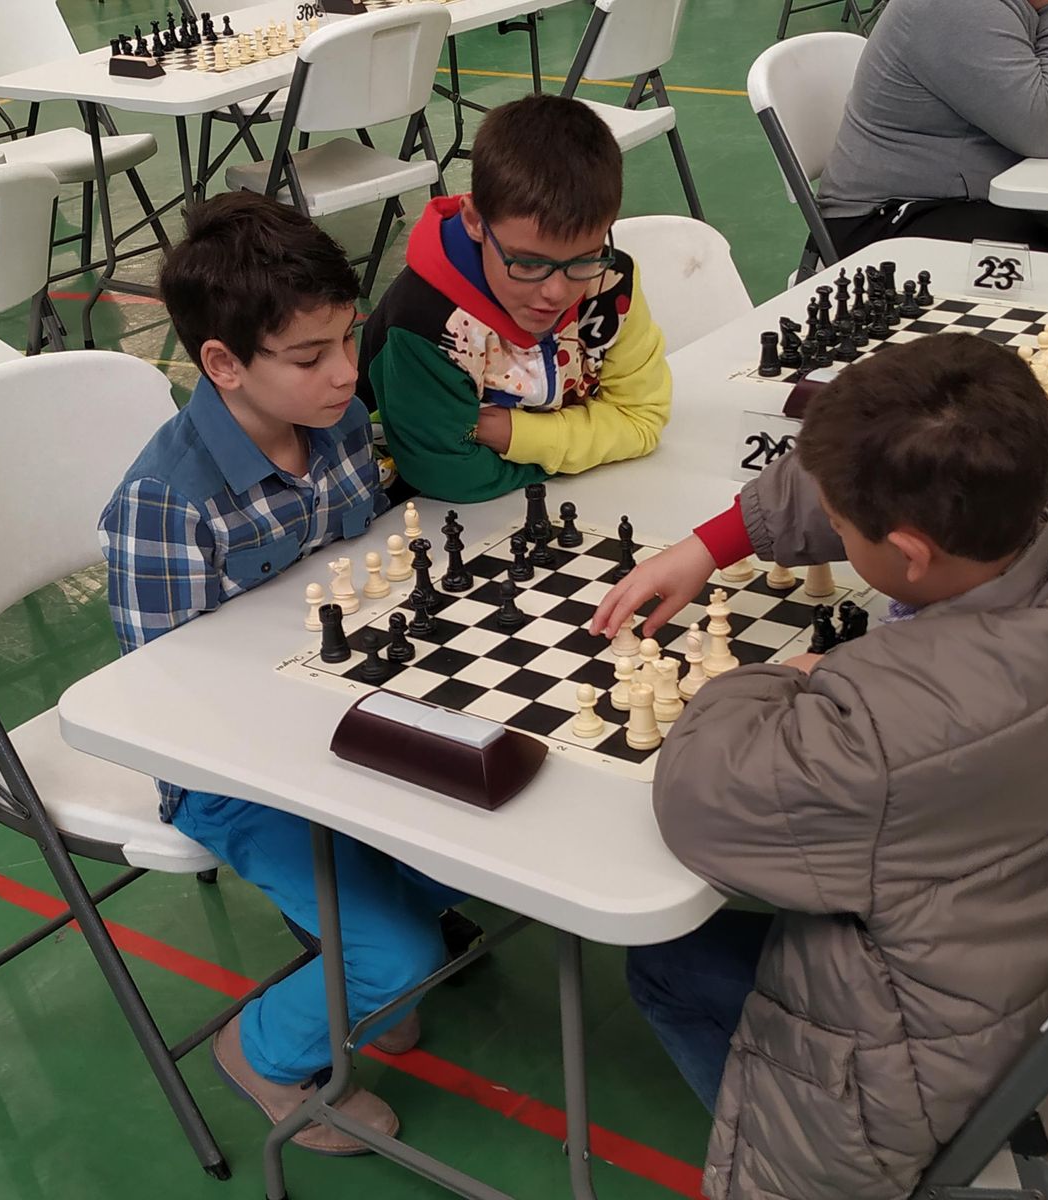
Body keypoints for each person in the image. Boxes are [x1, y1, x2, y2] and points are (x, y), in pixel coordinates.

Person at [591, 334, 1048, 1199]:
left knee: (667, 960)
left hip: (984, 1068)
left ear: (909, 555)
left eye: (839, 530)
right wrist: (715, 543)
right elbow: (861, 474)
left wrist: (789, 677)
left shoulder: (881, 735)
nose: (831, 530)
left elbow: (703, 798)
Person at [98, 192, 470, 1154]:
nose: (347, 371)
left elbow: (361, 573)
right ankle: (261, 1054)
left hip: (343, 713)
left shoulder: (334, 420)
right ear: (223, 363)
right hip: (231, 773)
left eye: (348, 339)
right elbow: (163, 703)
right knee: (402, 948)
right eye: (311, 357)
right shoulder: (164, 502)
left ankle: (369, 973)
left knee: (488, 847)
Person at [359, 93, 671, 504]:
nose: (556, 292)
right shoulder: (423, 323)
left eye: (583, 259)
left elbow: (642, 419)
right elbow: (449, 475)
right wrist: (582, 447)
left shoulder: (611, 281)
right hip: (417, 511)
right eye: (527, 263)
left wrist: (515, 434)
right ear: (474, 221)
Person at [815, 0, 1048, 263]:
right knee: (1030, 259)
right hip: (893, 215)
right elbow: (1046, 130)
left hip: (1004, 189)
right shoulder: (953, 8)